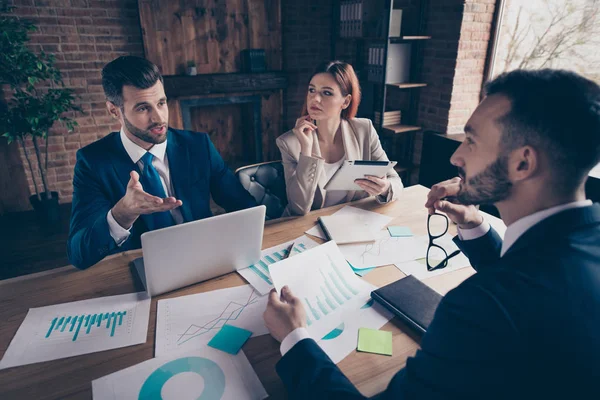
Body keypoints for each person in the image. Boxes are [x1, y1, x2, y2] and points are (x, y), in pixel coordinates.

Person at [263, 69, 600, 399]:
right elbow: (534, 274)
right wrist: (475, 225)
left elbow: (515, 291)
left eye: (471, 141)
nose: (456, 155)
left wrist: (294, 337)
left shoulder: (478, 307)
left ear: (523, 164)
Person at [67, 56, 257, 270]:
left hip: (206, 261)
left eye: (161, 103)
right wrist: (122, 214)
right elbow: (78, 254)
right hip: (142, 272)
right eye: (142, 108)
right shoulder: (93, 162)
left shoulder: (198, 146)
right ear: (114, 111)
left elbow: (244, 206)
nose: (158, 118)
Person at [276, 61, 403, 216]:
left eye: (326, 93)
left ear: (346, 101)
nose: (315, 99)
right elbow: (298, 208)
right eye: (311, 90)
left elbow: (396, 183)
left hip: (353, 221)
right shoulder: (289, 143)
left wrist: (384, 188)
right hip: (307, 227)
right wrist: (306, 152)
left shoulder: (364, 130)